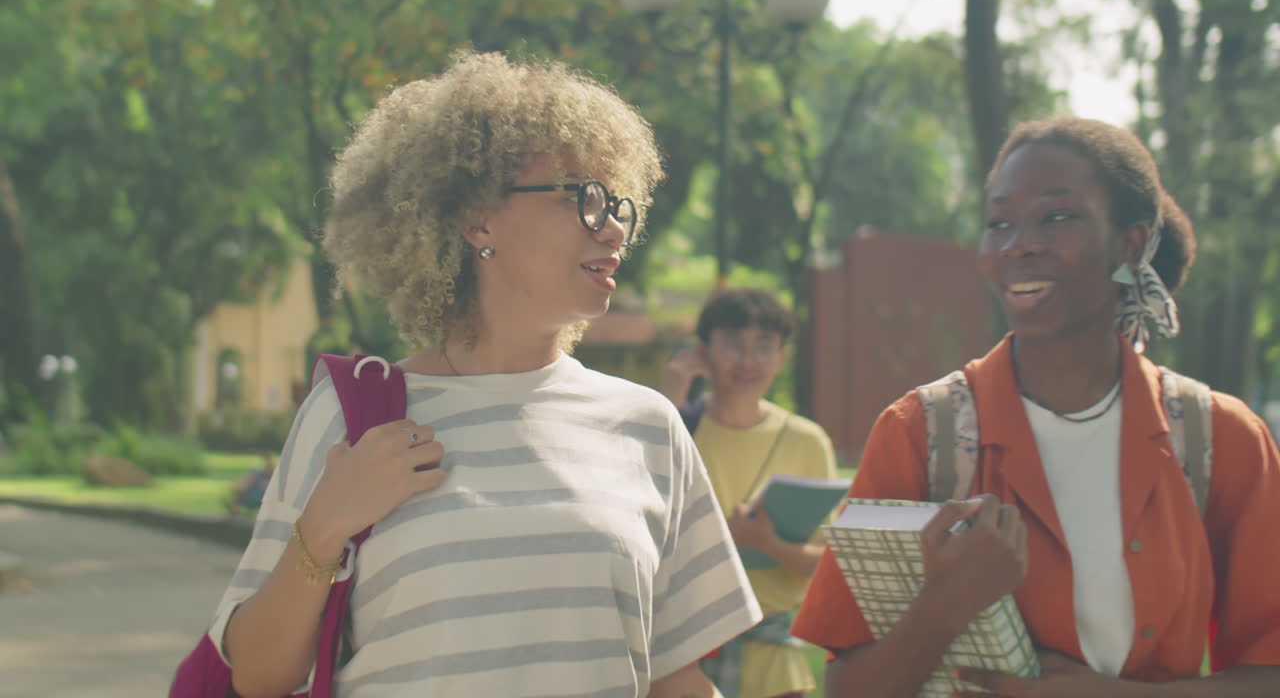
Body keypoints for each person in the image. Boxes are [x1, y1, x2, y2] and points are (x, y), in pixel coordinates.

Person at [206, 51, 762, 698]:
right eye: (582, 196)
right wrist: (325, 526)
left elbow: (676, 679)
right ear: (476, 219)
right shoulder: (352, 416)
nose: (612, 227)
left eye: (618, 203)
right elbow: (258, 675)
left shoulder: (649, 426)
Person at [793, 117, 1280, 697]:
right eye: (998, 223)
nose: (1017, 243)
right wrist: (946, 605)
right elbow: (846, 691)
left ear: (1128, 243)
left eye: (1057, 216)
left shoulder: (1217, 439)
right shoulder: (920, 433)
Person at [662, 289, 838, 698]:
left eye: (763, 347)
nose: (747, 361)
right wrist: (671, 393)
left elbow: (829, 562)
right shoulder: (676, 427)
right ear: (703, 351)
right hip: (685, 657)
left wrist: (768, 543)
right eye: (733, 345)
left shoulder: (808, 442)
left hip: (777, 662)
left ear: (782, 357)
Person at [225, 451, 276, 517]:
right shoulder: (258, 473)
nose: (269, 465)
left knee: (239, 489)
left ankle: (234, 509)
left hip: (258, 499)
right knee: (240, 488)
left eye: (270, 463)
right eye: (268, 462)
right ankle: (234, 509)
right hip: (251, 497)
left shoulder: (274, 478)